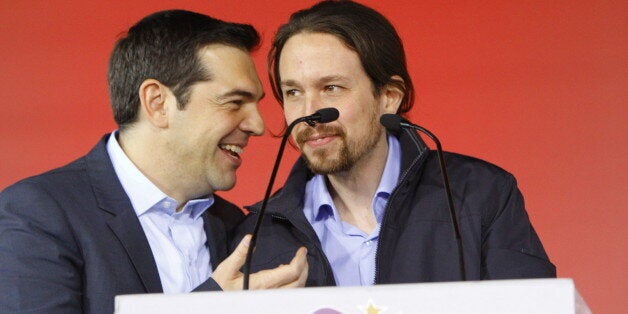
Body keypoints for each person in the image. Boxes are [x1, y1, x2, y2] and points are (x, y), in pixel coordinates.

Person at [0, 10, 307, 313]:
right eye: (235, 103)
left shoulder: (232, 225)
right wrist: (213, 305)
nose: (257, 125)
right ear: (158, 103)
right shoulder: (39, 213)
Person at [235, 0, 555, 287]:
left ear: (389, 97)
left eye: (331, 87)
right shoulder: (257, 234)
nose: (308, 113)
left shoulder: (480, 194)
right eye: (293, 92)